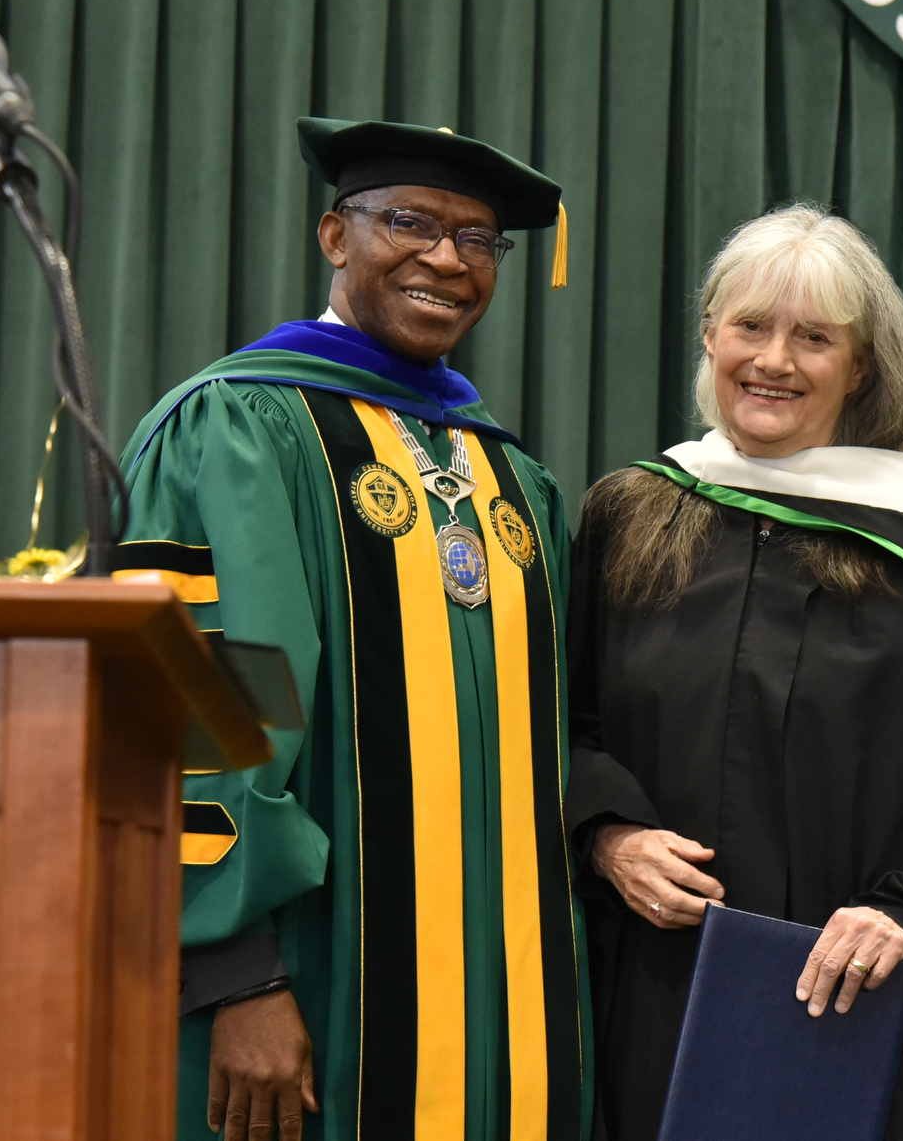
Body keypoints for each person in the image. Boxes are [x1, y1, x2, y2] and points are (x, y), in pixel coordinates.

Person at [564, 205, 903, 1141]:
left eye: (813, 338)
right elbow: (561, 724)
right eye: (750, 327)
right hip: (651, 985)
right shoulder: (632, 514)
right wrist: (605, 837)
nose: (774, 360)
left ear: (861, 366)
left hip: (857, 994)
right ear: (709, 336)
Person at [115, 118, 588, 1141]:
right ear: (336, 236)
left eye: (478, 239)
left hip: (502, 1017)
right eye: (410, 223)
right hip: (308, 993)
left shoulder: (517, 479)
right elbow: (204, 711)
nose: (446, 260)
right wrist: (234, 976)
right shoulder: (239, 427)